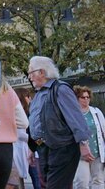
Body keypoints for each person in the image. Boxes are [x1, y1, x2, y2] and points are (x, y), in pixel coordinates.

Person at [27, 56, 93, 188]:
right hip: (44, 149)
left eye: (31, 73)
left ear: (42, 72)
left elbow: (76, 118)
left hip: (63, 148)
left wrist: (83, 144)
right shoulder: (39, 94)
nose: (29, 77)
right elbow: (36, 124)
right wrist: (32, 148)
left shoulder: (60, 89)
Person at [73, 85, 105, 189]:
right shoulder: (73, 114)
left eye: (88, 97)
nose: (86, 99)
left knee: (98, 181)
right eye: (83, 97)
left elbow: (103, 130)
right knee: (82, 183)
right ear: (77, 98)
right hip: (81, 155)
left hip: (97, 153)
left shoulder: (96, 112)